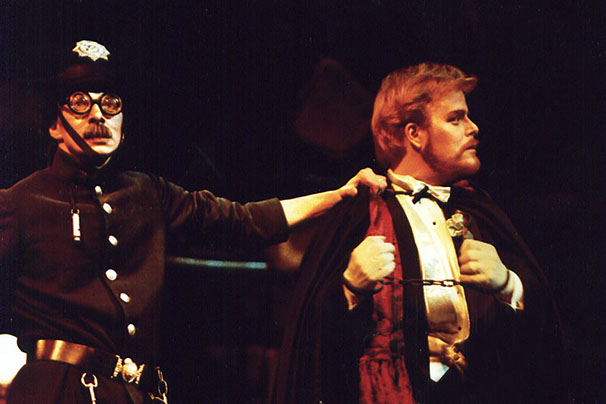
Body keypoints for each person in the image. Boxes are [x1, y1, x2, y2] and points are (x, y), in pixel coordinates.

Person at [0, 39, 387, 404]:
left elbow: (243, 220)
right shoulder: (21, 202)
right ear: (54, 125)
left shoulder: (147, 192)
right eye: (80, 103)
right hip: (56, 391)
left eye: (111, 104)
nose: (98, 115)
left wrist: (339, 195)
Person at [273, 62, 565, 403]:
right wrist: (349, 288)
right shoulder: (359, 214)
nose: (473, 128)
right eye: (455, 119)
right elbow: (308, 342)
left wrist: (509, 284)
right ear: (414, 134)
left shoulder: (482, 213)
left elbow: (544, 339)